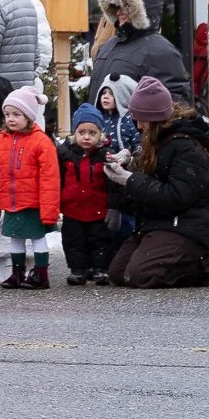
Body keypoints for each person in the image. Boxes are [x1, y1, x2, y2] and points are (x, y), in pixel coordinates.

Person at [103, 77, 209, 287]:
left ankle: (205, 264)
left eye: (142, 120)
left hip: (191, 224)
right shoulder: (156, 138)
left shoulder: (187, 148)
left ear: (156, 119)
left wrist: (129, 179)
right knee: (118, 273)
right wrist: (129, 163)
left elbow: (177, 196)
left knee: (139, 275)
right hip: (160, 220)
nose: (139, 126)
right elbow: (153, 174)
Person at [0, 87, 61, 290]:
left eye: (17, 114)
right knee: (15, 238)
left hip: (33, 203)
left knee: (37, 237)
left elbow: (50, 178)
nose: (11, 119)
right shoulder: (0, 140)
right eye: (8, 114)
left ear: (29, 116)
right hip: (11, 202)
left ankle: (41, 274)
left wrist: (49, 211)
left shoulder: (41, 142)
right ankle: (17, 272)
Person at [90, 0, 189, 95]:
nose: (118, 13)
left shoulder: (161, 52)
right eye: (117, 7)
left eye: (125, 8)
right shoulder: (108, 46)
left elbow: (173, 99)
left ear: (141, 10)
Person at [58, 104, 117, 285]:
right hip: (72, 209)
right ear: (74, 133)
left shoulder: (105, 155)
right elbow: (57, 180)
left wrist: (114, 207)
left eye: (92, 133)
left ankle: (100, 268)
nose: (86, 137)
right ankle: (78, 269)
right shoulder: (64, 154)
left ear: (100, 135)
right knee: (73, 241)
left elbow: (113, 185)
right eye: (82, 132)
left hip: (99, 209)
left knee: (100, 241)